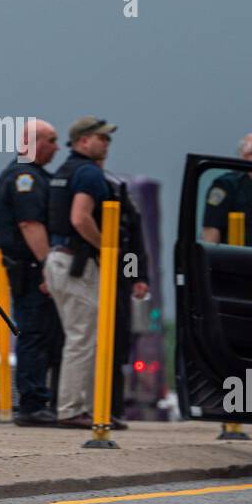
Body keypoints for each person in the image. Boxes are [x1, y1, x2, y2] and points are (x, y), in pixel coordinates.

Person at [44, 116, 116, 429]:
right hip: (76, 263)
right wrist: (107, 247)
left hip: (58, 259)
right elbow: (80, 218)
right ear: (84, 141)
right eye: (102, 138)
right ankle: (74, 409)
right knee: (83, 338)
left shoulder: (64, 171)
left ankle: (85, 406)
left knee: (78, 336)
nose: (107, 144)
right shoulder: (87, 173)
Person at [0, 119, 63, 426]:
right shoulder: (25, 178)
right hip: (33, 270)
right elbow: (30, 224)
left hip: (34, 268)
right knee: (34, 333)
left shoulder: (36, 175)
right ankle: (32, 404)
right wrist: (49, 267)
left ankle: (42, 400)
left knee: (47, 334)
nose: (57, 147)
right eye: (50, 140)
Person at [103, 166, 150, 430]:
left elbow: (134, 240)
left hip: (116, 278)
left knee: (117, 344)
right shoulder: (80, 184)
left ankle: (112, 409)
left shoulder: (116, 191)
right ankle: (96, 409)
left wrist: (138, 276)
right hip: (91, 277)